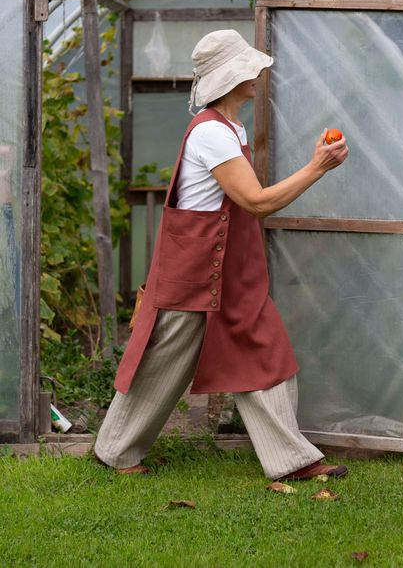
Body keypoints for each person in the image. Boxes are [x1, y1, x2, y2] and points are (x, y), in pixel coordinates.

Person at [94, 29, 349, 479]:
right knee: (162, 360)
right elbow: (256, 201)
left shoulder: (232, 128)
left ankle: (292, 461)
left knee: (265, 352)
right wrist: (316, 168)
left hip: (227, 270)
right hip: (194, 267)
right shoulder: (211, 133)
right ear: (231, 80)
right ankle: (116, 452)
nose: (257, 75)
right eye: (249, 69)